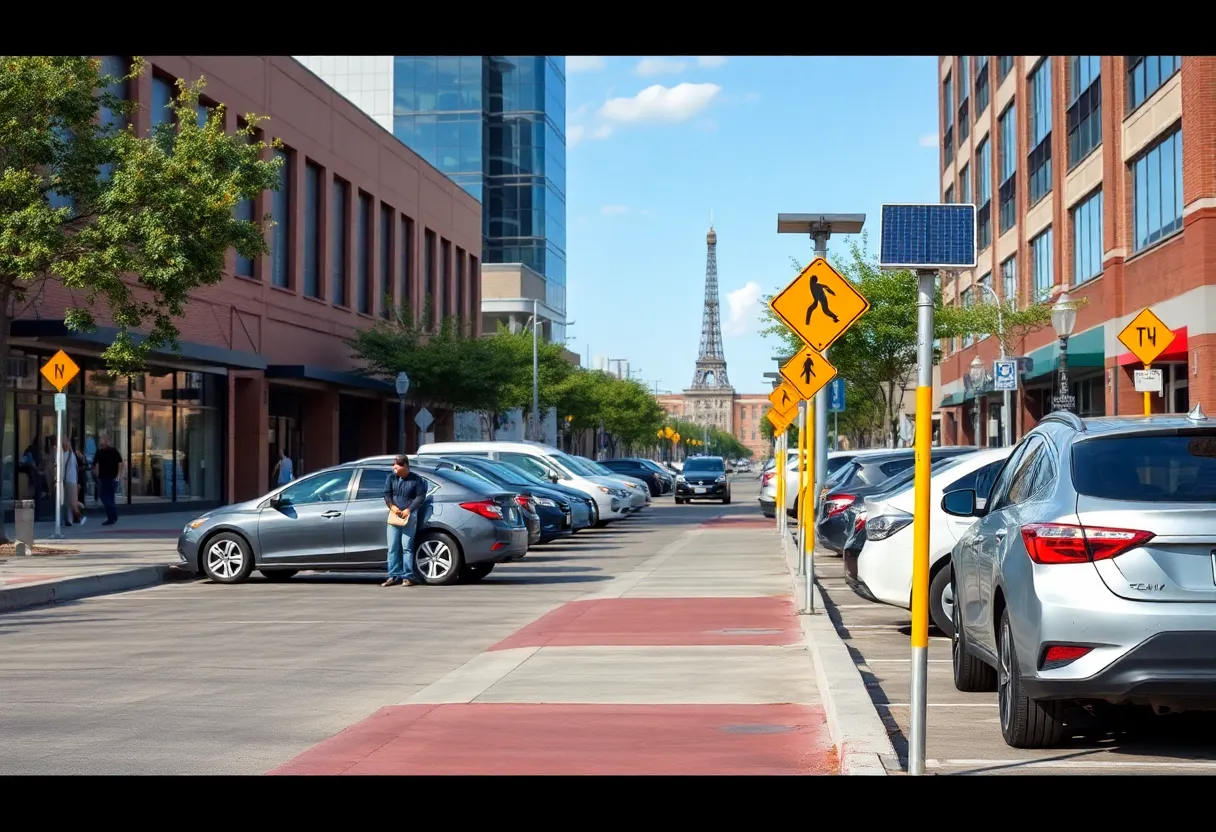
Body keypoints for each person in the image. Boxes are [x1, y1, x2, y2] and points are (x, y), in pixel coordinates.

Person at [381, 454, 428, 587]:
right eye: (394, 465)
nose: (394, 468)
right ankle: (393, 575)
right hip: (394, 515)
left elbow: (420, 496)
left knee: (406, 547)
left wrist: (409, 509)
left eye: (396, 466)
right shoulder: (391, 478)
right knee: (392, 548)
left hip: (409, 516)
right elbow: (387, 494)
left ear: (405, 466)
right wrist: (392, 506)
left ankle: (407, 576)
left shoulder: (416, 480)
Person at [93, 434, 124, 526]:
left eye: (103, 440)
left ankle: (112, 516)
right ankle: (112, 517)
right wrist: (96, 475)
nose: (102, 442)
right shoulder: (100, 452)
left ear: (107, 441)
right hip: (103, 478)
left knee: (106, 497)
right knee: (106, 497)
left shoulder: (113, 451)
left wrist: (119, 476)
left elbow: (121, 463)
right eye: (101, 440)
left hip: (111, 478)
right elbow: (95, 464)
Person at [61, 437, 85, 526]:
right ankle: (69, 520)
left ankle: (80, 517)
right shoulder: (64, 454)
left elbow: (77, 468)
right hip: (66, 480)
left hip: (72, 480)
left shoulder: (72, 454)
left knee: (73, 503)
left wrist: (78, 482)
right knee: (67, 502)